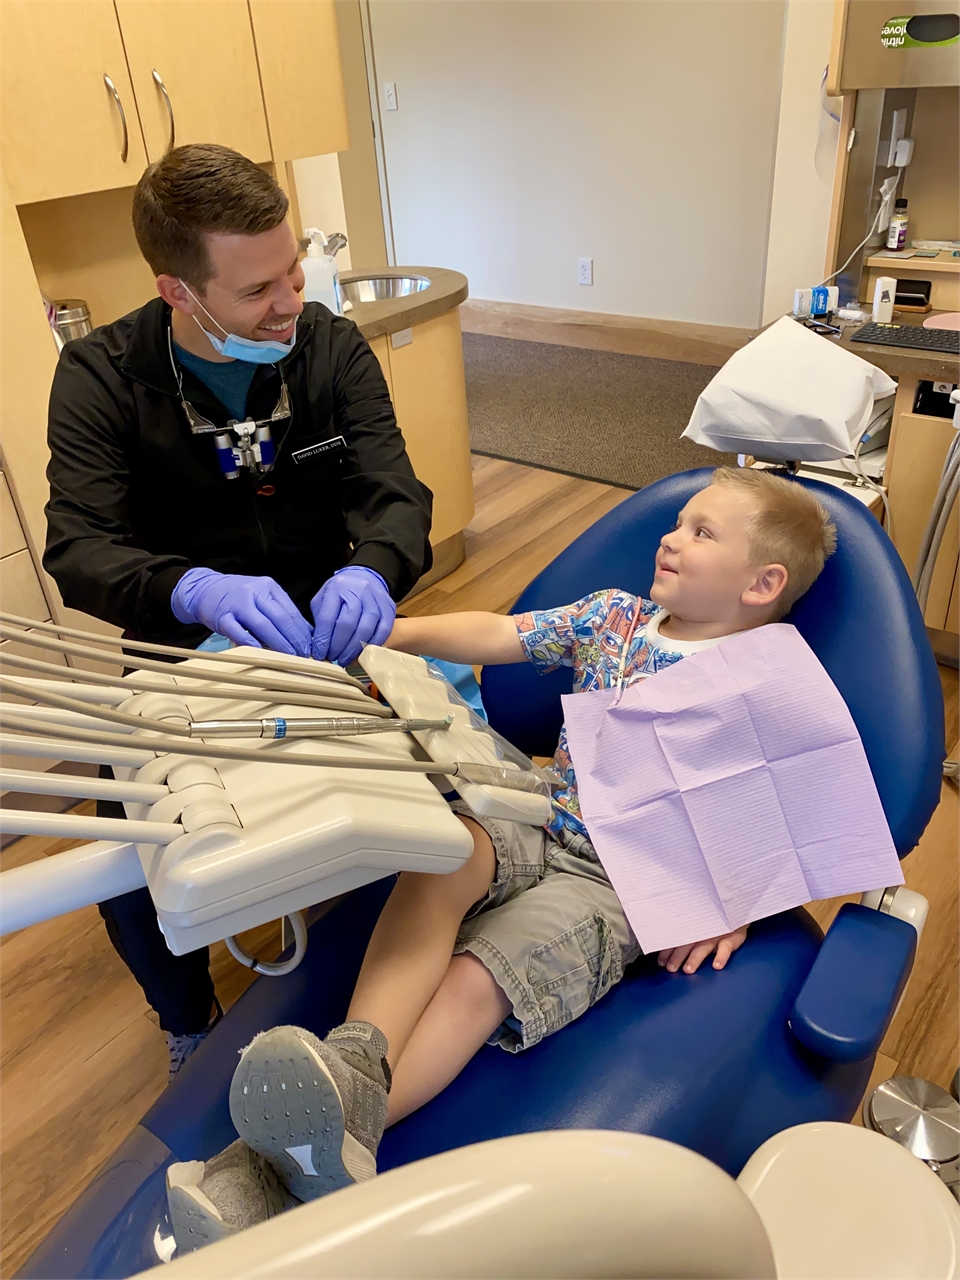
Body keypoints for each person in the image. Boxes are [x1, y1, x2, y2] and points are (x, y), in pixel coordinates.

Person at [165, 464, 838, 1252]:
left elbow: (796, 813)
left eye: (702, 531)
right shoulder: (617, 618)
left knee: (483, 972)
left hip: (620, 883)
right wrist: (393, 630)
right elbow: (503, 634)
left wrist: (736, 904)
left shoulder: (771, 686)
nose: (670, 536)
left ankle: (290, 1152)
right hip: (539, 809)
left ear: (762, 584)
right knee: (446, 856)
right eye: (679, 521)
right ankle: (353, 1059)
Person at [43, 144, 433, 1076]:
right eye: (260, 289)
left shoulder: (330, 347)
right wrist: (189, 587)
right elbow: (80, 546)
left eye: (293, 268)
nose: (292, 300)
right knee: (137, 853)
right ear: (180, 292)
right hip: (181, 653)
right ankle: (187, 1019)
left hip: (324, 634)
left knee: (426, 800)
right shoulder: (100, 379)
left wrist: (372, 571)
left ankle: (378, 987)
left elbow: (395, 492)